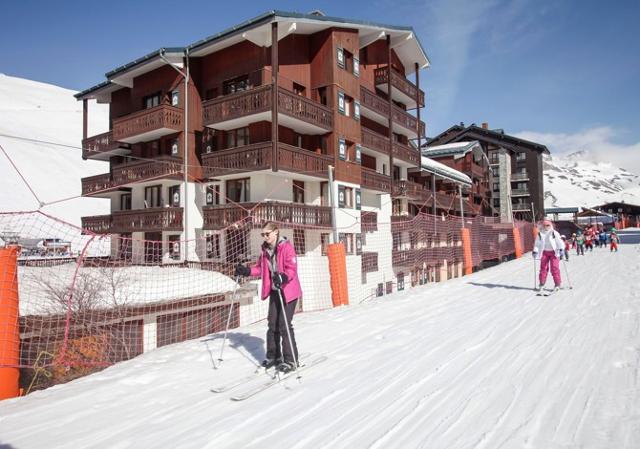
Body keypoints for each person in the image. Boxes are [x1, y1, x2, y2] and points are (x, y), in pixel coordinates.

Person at [234, 222, 302, 373]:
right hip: (274, 290)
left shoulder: (287, 247)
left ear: (276, 232)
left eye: (267, 234)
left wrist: (283, 277)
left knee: (284, 325)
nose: (265, 237)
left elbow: (292, 269)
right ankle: (273, 356)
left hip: (288, 292)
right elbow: (260, 268)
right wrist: (246, 271)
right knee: (272, 324)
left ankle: (291, 360)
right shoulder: (265, 250)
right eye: (263, 234)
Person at [533, 219, 564, 293]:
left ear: (550, 225)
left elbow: (559, 242)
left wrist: (561, 249)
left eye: (548, 225)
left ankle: (557, 284)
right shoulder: (540, 233)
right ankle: (542, 284)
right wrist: (535, 251)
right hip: (544, 252)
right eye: (544, 225)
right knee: (543, 268)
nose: (546, 227)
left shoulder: (554, 233)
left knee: (554, 268)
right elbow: (537, 244)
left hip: (554, 252)